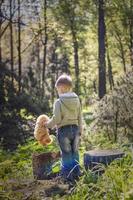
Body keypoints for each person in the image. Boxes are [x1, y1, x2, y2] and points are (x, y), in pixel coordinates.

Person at [44, 74, 83, 184]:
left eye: (58, 89)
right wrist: (81, 130)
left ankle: (67, 178)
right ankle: (77, 174)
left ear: (62, 88)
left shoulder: (58, 102)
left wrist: (47, 125)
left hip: (63, 131)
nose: (58, 91)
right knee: (75, 152)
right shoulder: (77, 100)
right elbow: (80, 116)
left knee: (66, 154)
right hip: (75, 130)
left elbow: (56, 119)